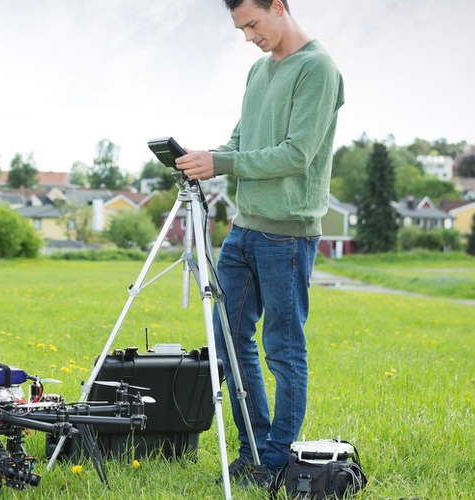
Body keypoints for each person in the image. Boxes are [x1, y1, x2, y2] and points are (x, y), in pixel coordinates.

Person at [174, 0, 344, 489]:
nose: (248, 36)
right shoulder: (257, 72)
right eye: (240, 28)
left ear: (278, 7)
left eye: (252, 24)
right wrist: (200, 158)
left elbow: (296, 154)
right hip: (244, 230)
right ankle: (254, 452)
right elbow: (241, 142)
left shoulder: (318, 69)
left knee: (283, 351)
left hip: (288, 234)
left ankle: (279, 460)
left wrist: (223, 164)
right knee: (228, 341)